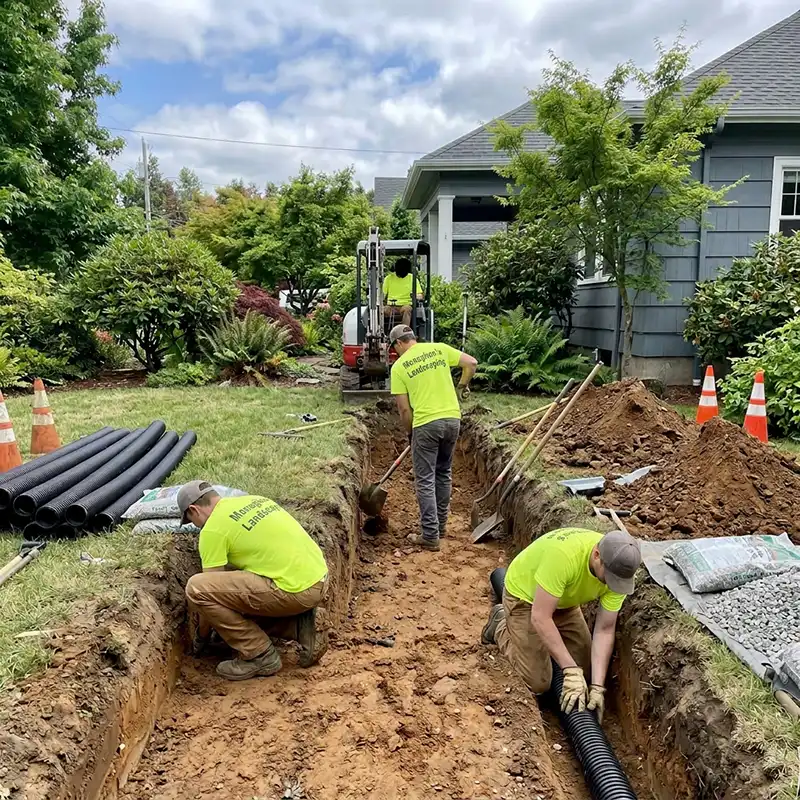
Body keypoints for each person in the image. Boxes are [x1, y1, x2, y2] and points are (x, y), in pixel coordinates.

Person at [481, 527, 641, 723]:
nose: (611, 585)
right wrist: (569, 670)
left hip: (564, 601)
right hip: (526, 599)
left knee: (586, 667)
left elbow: (605, 629)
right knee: (538, 682)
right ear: (597, 555)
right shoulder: (564, 557)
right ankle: (500, 624)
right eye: (610, 578)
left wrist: (598, 687)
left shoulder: (618, 570)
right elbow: (540, 617)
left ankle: (554, 656)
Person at [180, 480, 329, 681]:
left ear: (194, 510)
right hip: (317, 579)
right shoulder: (253, 500)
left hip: (295, 591)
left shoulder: (212, 530)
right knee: (232, 590)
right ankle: (300, 625)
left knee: (197, 588)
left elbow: (207, 592)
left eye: (190, 520)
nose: (195, 526)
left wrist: (203, 636)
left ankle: (259, 655)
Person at [389, 324, 478, 551]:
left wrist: (410, 433)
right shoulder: (438, 349)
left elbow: (404, 411)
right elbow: (471, 363)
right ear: (413, 338)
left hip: (426, 424)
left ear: (399, 343)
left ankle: (430, 535)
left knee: (425, 478)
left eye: (394, 347)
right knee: (443, 472)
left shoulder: (399, 367)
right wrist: (461, 386)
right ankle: (440, 527)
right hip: (452, 420)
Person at [382, 258, 422, 328]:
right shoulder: (388, 278)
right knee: (381, 310)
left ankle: (404, 332)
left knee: (407, 309)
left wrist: (415, 295)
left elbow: (420, 295)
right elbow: (382, 295)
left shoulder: (413, 278)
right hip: (391, 306)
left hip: (405, 305)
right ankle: (381, 332)